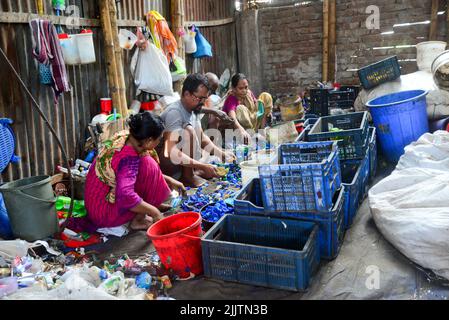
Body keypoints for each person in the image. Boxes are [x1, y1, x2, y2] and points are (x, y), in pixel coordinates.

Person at [67, 112, 186, 233]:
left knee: (147, 163)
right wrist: (154, 212)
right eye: (159, 139)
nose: (160, 142)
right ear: (149, 141)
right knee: (149, 166)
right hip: (103, 213)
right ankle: (138, 219)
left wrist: (169, 180)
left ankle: (146, 208)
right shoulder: (128, 159)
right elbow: (125, 196)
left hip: (96, 203)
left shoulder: (126, 137)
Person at [158, 73, 236, 188]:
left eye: (205, 98)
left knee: (212, 171)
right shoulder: (174, 113)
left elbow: (202, 138)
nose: (203, 102)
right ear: (186, 94)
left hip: (181, 164)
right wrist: (202, 166)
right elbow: (170, 151)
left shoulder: (193, 109)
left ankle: (190, 174)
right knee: (188, 131)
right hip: (168, 166)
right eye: (200, 98)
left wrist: (222, 154)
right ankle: (187, 177)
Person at [222, 73, 273, 141]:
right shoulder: (232, 98)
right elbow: (232, 117)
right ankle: (251, 136)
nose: (244, 90)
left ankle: (262, 131)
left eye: (246, 87)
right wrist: (241, 129)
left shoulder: (248, 93)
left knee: (265, 96)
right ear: (234, 89)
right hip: (237, 129)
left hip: (252, 122)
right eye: (240, 88)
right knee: (241, 109)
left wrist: (266, 111)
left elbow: (257, 106)